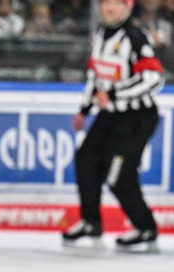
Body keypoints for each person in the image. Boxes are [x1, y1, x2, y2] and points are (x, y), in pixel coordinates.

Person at [61, 0, 164, 252]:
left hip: (137, 118)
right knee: (85, 158)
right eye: (106, 2)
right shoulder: (100, 34)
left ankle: (145, 227)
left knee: (119, 177)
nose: (109, 8)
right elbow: (96, 75)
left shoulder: (135, 37)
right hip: (111, 116)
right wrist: (84, 109)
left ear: (127, 7)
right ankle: (90, 222)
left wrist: (116, 95)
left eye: (116, 3)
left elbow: (154, 78)